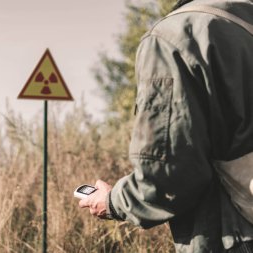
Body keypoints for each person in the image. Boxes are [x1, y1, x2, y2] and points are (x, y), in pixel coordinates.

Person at [78, 0, 253, 252]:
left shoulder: (175, 36)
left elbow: (168, 177)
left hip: (233, 235)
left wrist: (113, 200)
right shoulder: (244, 18)